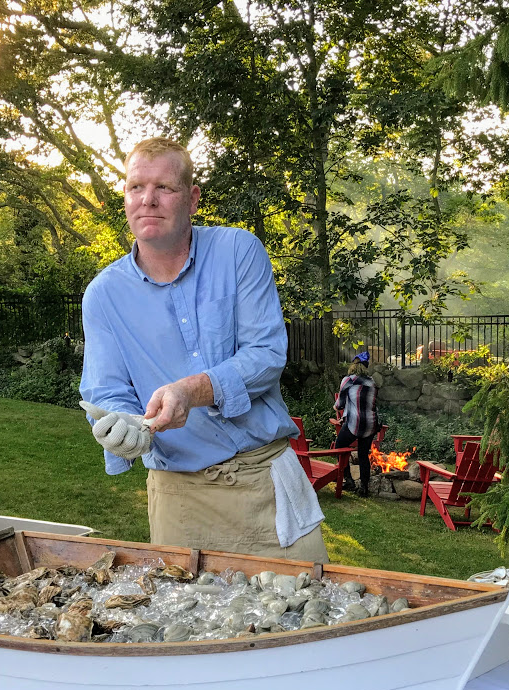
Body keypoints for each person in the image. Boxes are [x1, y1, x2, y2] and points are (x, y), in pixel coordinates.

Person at [79, 137, 328, 562]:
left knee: (312, 616)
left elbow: (266, 353)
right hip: (178, 499)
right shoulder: (103, 294)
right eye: (136, 187)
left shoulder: (237, 251)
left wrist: (190, 392)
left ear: (192, 199)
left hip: (265, 482)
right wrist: (124, 428)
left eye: (165, 188)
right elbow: (107, 391)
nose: (148, 200)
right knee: (188, 628)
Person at [333, 352, 380, 498]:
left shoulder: (348, 380)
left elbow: (339, 405)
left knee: (339, 448)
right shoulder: (372, 383)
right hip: (371, 423)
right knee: (363, 455)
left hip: (355, 422)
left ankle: (349, 481)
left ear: (353, 366)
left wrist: (338, 409)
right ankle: (364, 488)